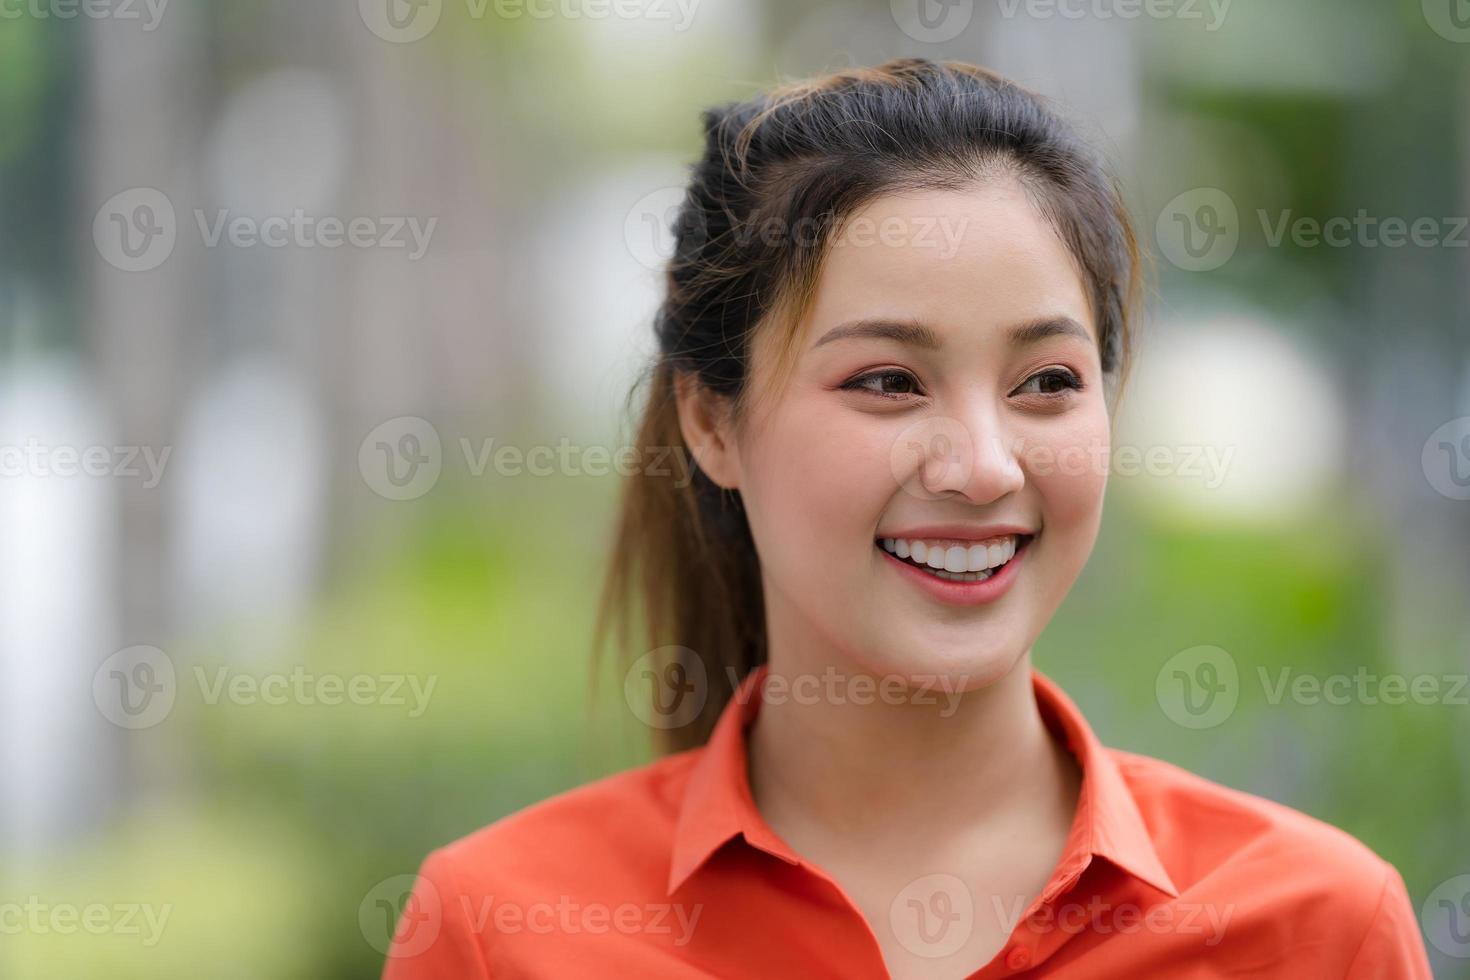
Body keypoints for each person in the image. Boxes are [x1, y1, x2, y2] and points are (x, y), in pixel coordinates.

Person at [381, 58, 1433, 978]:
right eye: (888, 380)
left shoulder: (1319, 928)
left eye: (1047, 380)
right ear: (711, 420)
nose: (981, 465)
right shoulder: (499, 929)